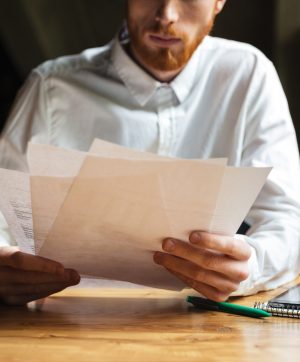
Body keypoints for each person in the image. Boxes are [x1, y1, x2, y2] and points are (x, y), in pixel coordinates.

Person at [0, 0, 300, 306]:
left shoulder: (249, 75)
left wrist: (251, 267)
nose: (166, 16)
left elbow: (289, 217)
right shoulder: (50, 89)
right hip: (65, 328)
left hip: (203, 330)